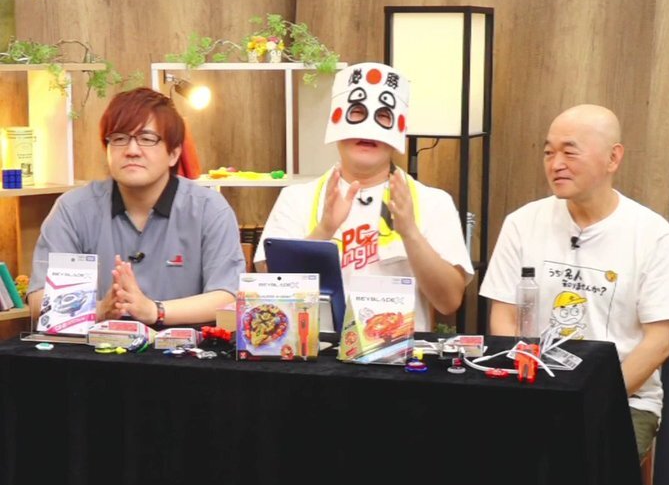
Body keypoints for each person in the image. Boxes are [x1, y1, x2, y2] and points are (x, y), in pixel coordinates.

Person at [480, 103, 669, 459]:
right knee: (485, 457)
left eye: (569, 152)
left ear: (613, 158)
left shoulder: (653, 235)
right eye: (548, 153)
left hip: (624, 399)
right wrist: (529, 384)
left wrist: (592, 399)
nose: (556, 164)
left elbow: (659, 343)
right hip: (533, 388)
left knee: (581, 467)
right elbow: (503, 316)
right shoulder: (522, 223)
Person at [254, 61, 473, 330]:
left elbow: (449, 301)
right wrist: (324, 230)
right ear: (336, 120)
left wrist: (410, 232)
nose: (368, 128)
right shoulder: (296, 199)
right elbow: (272, 292)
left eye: (383, 116)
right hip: (317, 349)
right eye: (356, 112)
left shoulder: (433, 202)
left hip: (399, 351)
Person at [28, 87, 245, 327]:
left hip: (185, 348)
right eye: (119, 139)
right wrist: (100, 310)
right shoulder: (73, 209)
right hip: (97, 346)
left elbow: (228, 296)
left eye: (147, 139)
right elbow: (40, 301)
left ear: (173, 153)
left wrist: (154, 311)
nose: (132, 151)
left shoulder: (209, 209)